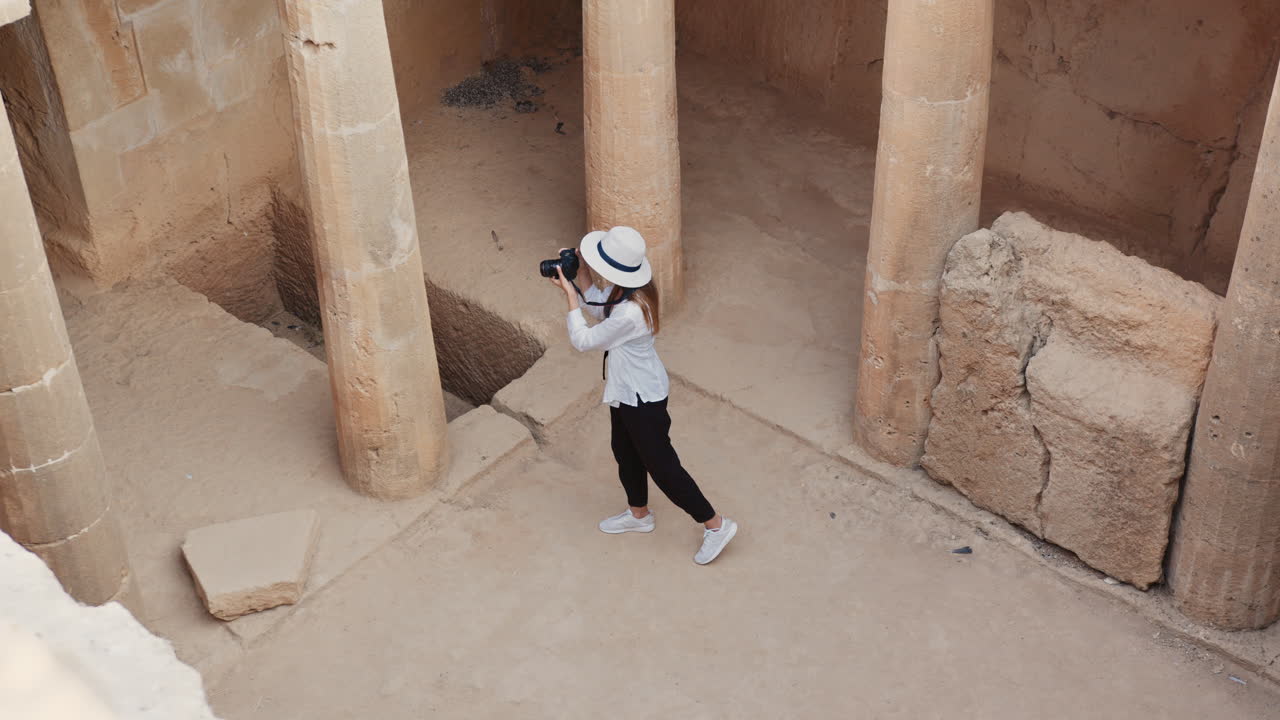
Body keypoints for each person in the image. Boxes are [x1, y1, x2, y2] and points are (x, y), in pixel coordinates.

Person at [547, 226, 738, 565]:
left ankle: (716, 525)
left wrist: (570, 296)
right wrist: (583, 276)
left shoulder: (631, 311)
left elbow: (585, 341)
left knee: (663, 466)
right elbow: (600, 309)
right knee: (624, 451)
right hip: (626, 391)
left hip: (643, 398)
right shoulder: (629, 291)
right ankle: (639, 516)